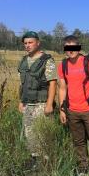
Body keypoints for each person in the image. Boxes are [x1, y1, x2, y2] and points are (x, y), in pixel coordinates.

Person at [58, 35, 89, 175]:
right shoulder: (63, 65)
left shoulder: (88, 63)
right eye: (67, 48)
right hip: (72, 111)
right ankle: (83, 170)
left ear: (78, 48)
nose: (70, 51)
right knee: (78, 142)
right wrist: (62, 110)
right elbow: (62, 88)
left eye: (73, 47)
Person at [18, 31, 57, 161]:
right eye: (25, 43)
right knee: (30, 135)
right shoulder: (24, 61)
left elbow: (52, 83)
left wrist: (49, 104)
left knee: (44, 135)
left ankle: (47, 163)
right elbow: (22, 84)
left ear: (38, 43)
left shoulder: (46, 60)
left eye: (30, 42)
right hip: (28, 104)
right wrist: (21, 101)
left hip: (42, 104)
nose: (27, 45)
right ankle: (35, 161)